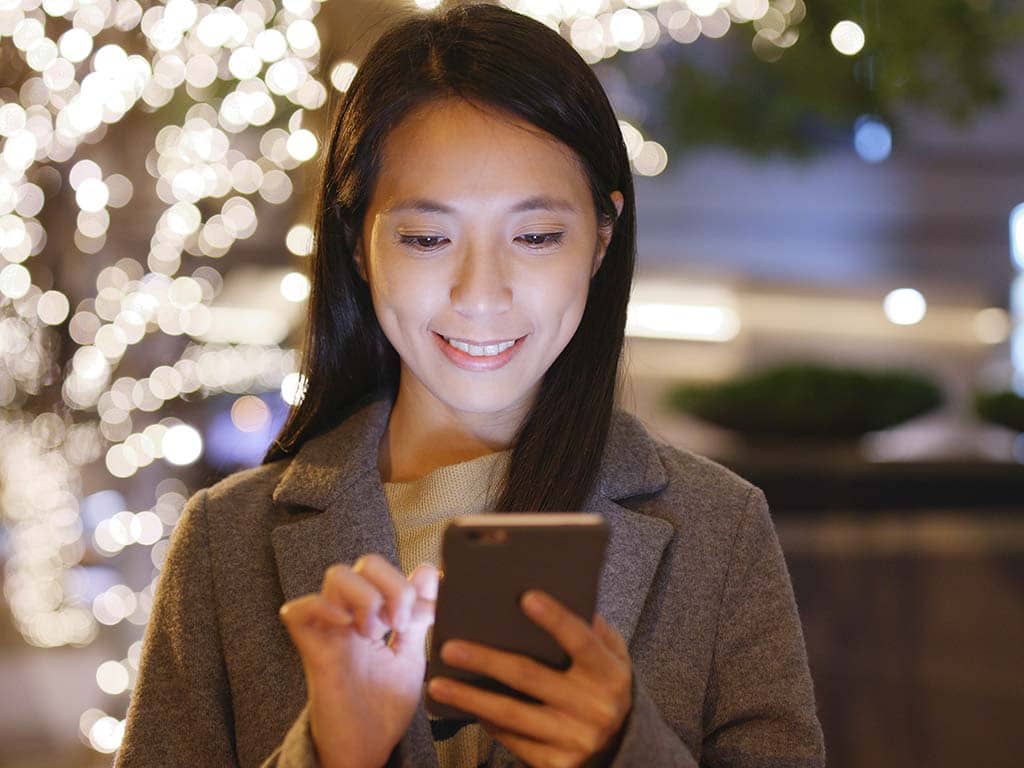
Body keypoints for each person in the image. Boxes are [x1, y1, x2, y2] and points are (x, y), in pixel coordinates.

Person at [117, 4, 825, 767]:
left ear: (602, 237)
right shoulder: (227, 544)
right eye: (426, 238)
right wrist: (328, 754)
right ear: (359, 243)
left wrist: (626, 749)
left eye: (536, 236)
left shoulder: (720, 529)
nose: (480, 293)